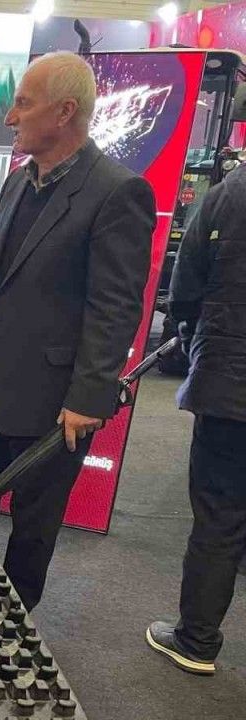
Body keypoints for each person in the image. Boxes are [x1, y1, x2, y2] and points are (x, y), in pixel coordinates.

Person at [0, 52, 155, 610]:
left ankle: (10, 633)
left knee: (32, 532)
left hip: (55, 405)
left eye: (23, 103)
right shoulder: (19, 181)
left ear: (64, 112)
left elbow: (116, 305)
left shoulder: (117, 191)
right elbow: (12, 274)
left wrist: (89, 396)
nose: (10, 117)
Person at [145, 165, 246, 676]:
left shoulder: (229, 194)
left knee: (219, 518)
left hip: (230, 386)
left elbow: (185, 285)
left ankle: (197, 640)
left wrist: (189, 335)